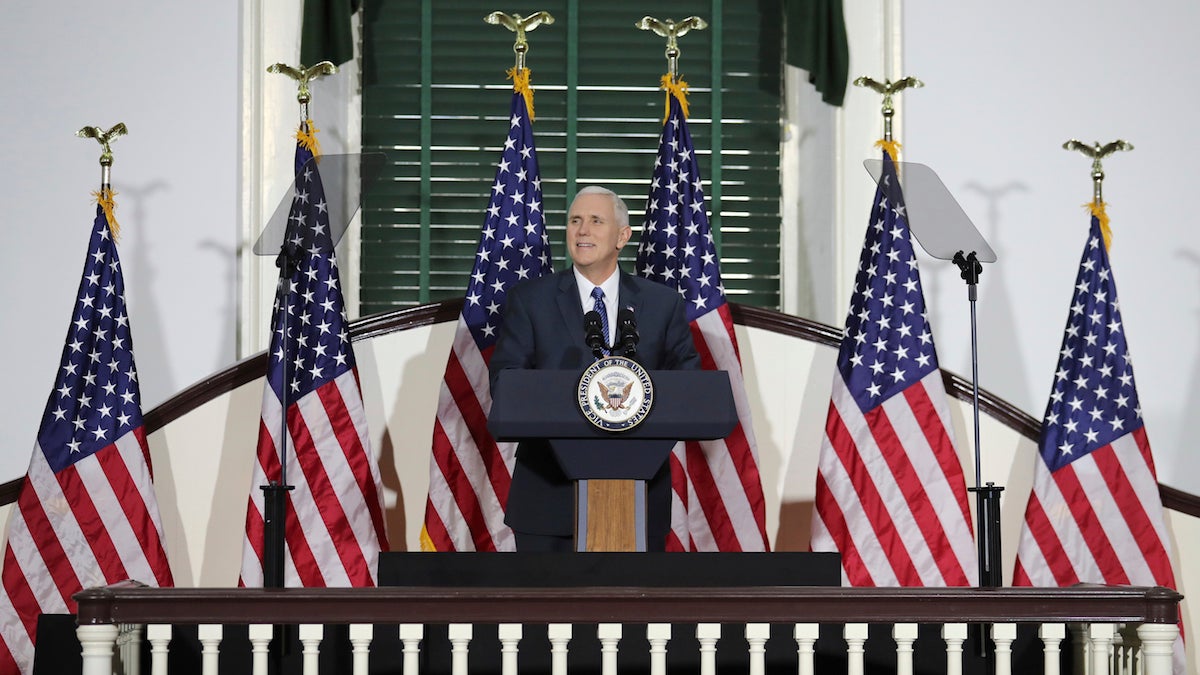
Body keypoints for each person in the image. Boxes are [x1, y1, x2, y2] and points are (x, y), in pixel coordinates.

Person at [489, 186, 700, 552]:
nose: (582, 230)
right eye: (575, 221)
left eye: (595, 221)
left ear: (622, 236)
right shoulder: (530, 301)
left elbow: (691, 387)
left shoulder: (661, 304)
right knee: (548, 610)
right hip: (548, 495)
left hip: (639, 494)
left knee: (630, 609)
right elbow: (506, 383)